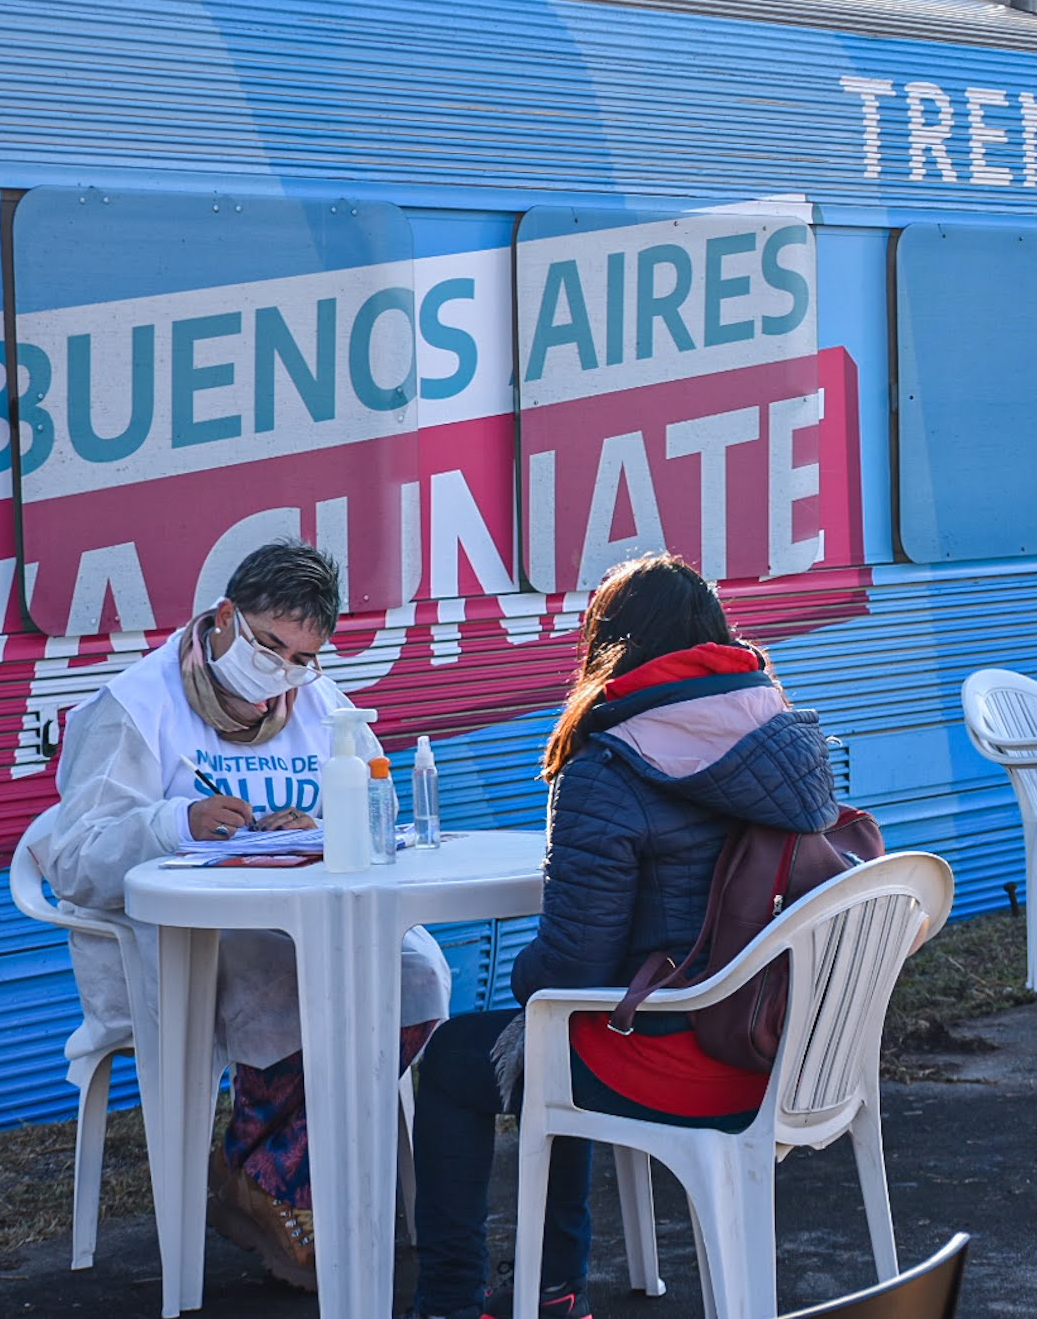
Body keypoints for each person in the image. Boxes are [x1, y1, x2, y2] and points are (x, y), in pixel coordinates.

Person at [403, 553, 842, 1319]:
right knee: (561, 1025)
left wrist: (529, 984)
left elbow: (571, 965)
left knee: (470, 1052)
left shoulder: (610, 761)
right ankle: (552, 1288)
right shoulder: (784, 736)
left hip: (688, 1058)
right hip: (794, 1045)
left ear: (610, 647)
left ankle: (448, 1301)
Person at [41, 541, 451, 1291]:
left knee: (413, 969)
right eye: (269, 645)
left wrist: (324, 825)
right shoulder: (138, 707)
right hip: (170, 947)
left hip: (290, 921)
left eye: (302, 658)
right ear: (226, 618)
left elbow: (372, 803)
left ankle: (259, 1177)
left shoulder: (318, 702)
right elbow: (73, 859)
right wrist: (176, 822)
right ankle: (286, 1190)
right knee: (291, 975)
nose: (281, 675)